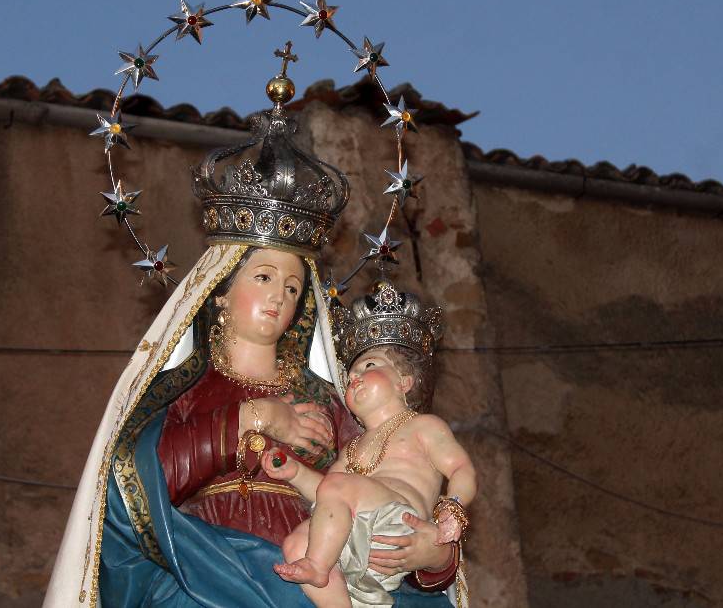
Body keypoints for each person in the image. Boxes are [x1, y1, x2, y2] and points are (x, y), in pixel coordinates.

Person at [43, 69, 460, 607]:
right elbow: (128, 492)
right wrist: (252, 419)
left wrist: (433, 557)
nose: (279, 296)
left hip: (310, 578)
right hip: (201, 576)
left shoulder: (330, 400)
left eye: (292, 285)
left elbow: (399, 495)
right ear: (218, 289)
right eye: (262, 277)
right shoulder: (182, 388)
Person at [263, 344, 476, 608]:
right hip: (354, 538)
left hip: (397, 522)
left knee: (338, 490)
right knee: (296, 544)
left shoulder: (423, 426)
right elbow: (328, 495)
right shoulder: (352, 448)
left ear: (403, 382)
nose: (355, 378)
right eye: (350, 377)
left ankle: (318, 566)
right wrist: (294, 473)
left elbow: (460, 468)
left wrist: (454, 507)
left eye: (370, 366)